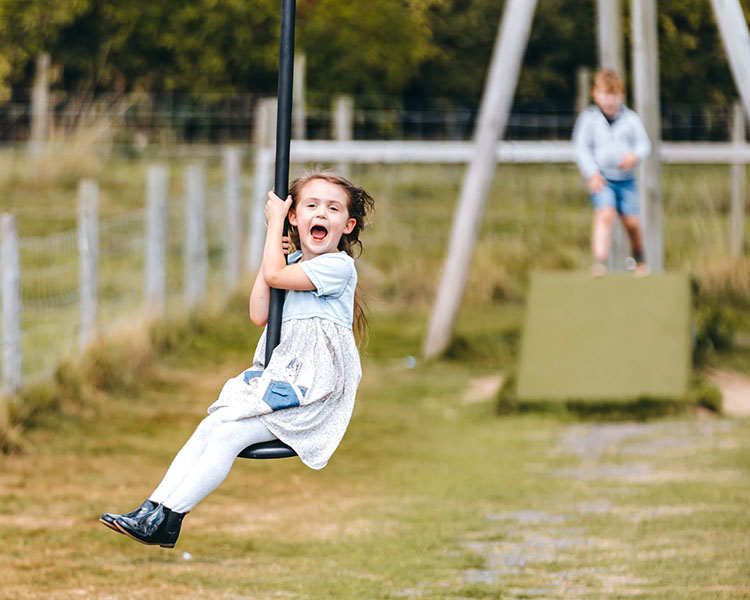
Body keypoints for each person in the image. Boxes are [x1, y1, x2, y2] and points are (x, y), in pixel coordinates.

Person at [100, 172, 374, 548]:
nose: (321, 213)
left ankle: (171, 516)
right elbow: (259, 312)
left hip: (312, 389)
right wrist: (274, 241)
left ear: (348, 225)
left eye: (333, 208)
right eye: (311, 205)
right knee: (213, 425)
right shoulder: (290, 262)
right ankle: (153, 508)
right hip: (285, 378)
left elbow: (275, 275)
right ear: (297, 217)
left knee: (229, 433)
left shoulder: (338, 266)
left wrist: (274, 224)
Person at [573, 68, 651, 277]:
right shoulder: (589, 119)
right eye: (605, 95)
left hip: (626, 181)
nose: (609, 100)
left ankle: (639, 256)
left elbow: (644, 144)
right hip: (602, 179)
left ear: (622, 96)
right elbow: (582, 148)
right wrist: (592, 174)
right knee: (605, 214)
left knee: (631, 222)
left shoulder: (631, 119)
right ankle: (600, 262)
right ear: (596, 95)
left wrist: (634, 156)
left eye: (614, 95)